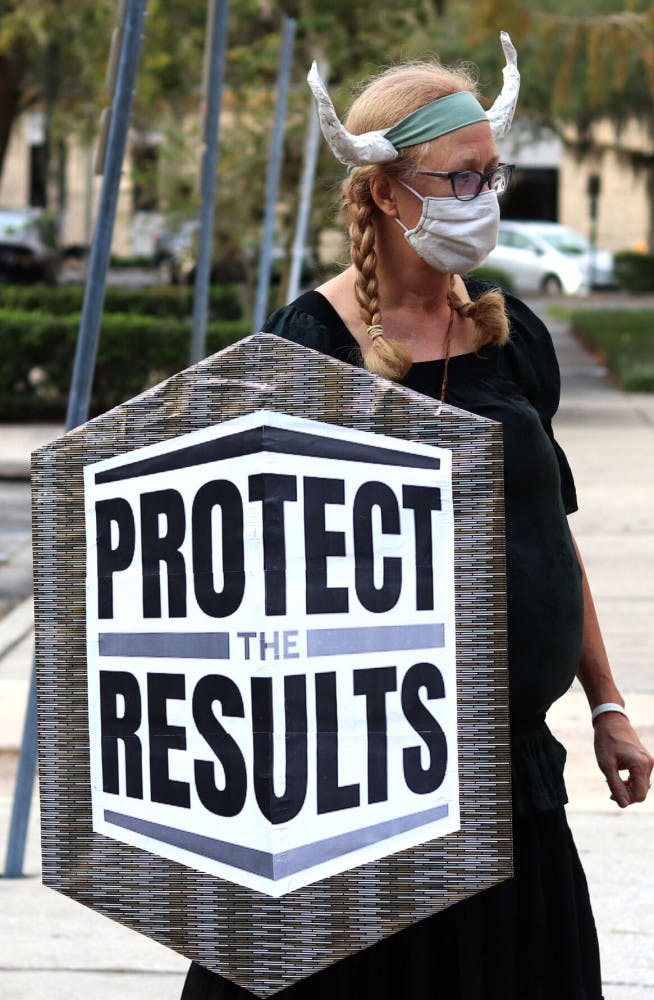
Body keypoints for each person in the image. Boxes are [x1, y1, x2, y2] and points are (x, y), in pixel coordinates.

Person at [182, 33, 653, 1000]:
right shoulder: (307, 348)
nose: (485, 195)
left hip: (516, 777)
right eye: (459, 176)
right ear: (385, 191)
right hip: (379, 782)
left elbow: (547, 534)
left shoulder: (508, 334)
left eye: (493, 172)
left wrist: (607, 704)